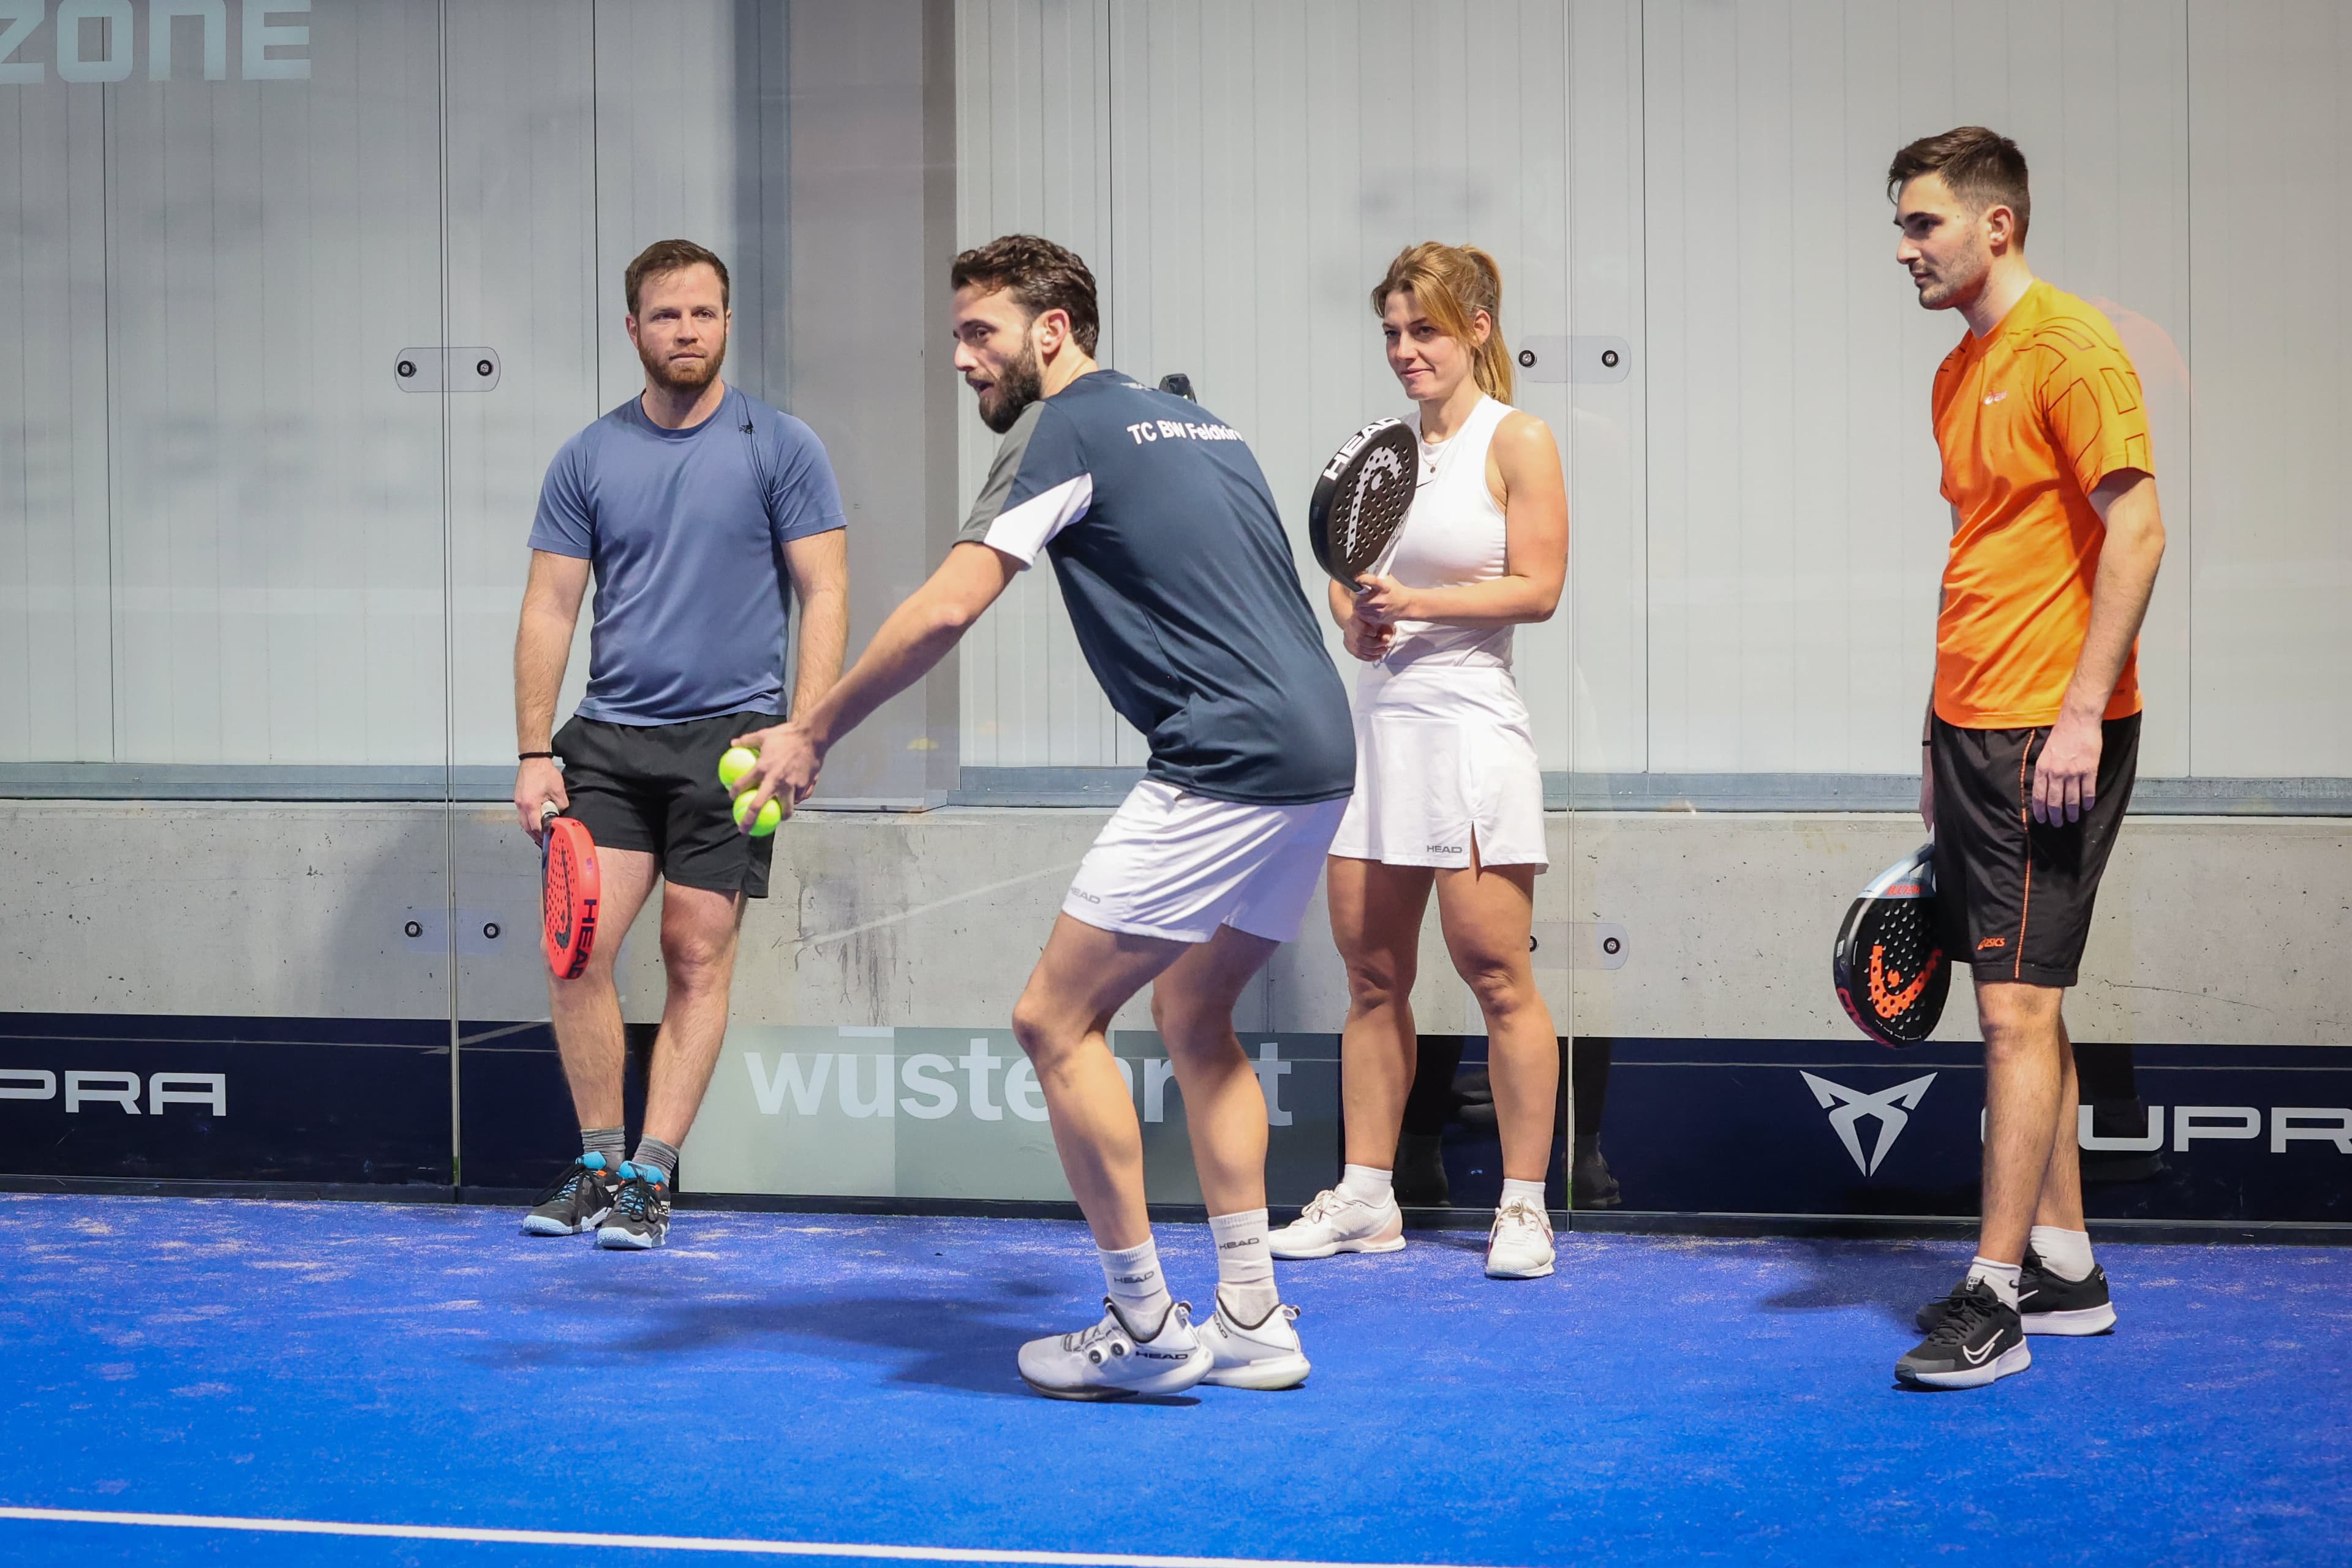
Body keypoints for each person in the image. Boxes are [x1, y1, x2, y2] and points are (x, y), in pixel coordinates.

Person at [731, 234, 1355, 1399]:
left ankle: (1146, 1326)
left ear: (1052, 329)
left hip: (1222, 760)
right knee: (1198, 1012)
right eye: (959, 335)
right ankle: (1255, 1316)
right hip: (1319, 755)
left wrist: (812, 727)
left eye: (983, 333)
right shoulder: (1205, 425)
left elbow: (946, 609)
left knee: (1051, 1021)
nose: (965, 359)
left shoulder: (1059, 427)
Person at [1887, 129, 2165, 1388]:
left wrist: (2077, 711)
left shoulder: (2070, 348)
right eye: (1903, 226)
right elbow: (1983, 559)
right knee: (2023, 995)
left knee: (2013, 1006)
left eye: (1926, 224)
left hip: (2053, 729)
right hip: (1974, 725)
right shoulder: (1958, 375)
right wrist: (1935, 737)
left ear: (1998, 224)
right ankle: (2065, 1264)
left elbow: (2141, 531)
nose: (1906, 248)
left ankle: (1993, 1300)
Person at [511, 239, 850, 1250]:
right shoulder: (587, 455)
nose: (687, 331)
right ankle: (597, 1164)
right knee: (577, 953)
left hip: (734, 746)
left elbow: (824, 590)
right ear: (633, 330)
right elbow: (548, 607)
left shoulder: (779, 444)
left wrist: (804, 730)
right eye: (667, 316)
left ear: (728, 323)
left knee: (694, 956)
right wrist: (537, 752)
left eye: (704, 314)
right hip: (609, 743)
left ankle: (652, 1180)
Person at [1268, 243, 1569, 1280]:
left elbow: (1538, 587)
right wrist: (1356, 620)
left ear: (1478, 329)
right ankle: (1365, 1198)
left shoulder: (1518, 439)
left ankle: (1524, 1209)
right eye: (1392, 332)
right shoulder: (1379, 453)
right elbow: (1353, 585)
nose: (1404, 350)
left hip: (1474, 733)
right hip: (1379, 735)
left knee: (1497, 974)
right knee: (1370, 978)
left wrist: (1421, 605)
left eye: (1424, 330)